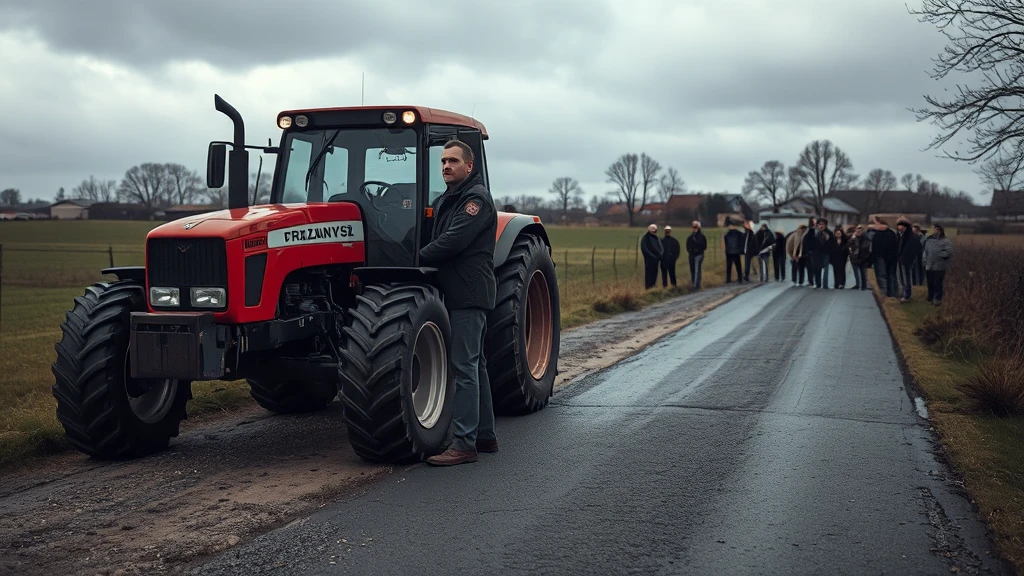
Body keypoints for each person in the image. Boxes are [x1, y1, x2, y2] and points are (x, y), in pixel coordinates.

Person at [420, 139, 498, 467]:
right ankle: (485, 436)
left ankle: (464, 444)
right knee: (475, 365)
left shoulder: (475, 199)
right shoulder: (447, 199)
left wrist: (415, 260)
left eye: (453, 161)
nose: (446, 166)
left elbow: (453, 240)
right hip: (460, 291)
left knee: (464, 367)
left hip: (469, 293)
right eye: (442, 161)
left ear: (469, 166)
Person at [923, 223, 954, 306]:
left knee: (938, 283)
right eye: (935, 229)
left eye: (938, 229)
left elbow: (949, 252)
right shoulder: (928, 240)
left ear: (941, 230)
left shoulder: (945, 241)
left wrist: (939, 254)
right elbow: (925, 251)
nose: (936, 231)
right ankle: (930, 298)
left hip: (939, 266)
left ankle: (937, 299)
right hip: (929, 265)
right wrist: (924, 261)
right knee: (930, 283)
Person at [870, 217, 899, 298]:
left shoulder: (889, 234)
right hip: (884, 257)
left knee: (886, 276)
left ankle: (889, 293)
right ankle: (888, 293)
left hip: (885, 257)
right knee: (886, 276)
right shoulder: (880, 234)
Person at [896, 217, 922, 302]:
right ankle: (903, 293)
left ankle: (907, 295)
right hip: (902, 259)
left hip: (906, 260)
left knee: (907, 278)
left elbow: (913, 248)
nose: (899, 227)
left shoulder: (910, 236)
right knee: (903, 277)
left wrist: (904, 256)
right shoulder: (902, 234)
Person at [848, 224, 872, 290]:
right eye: (857, 228)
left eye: (860, 228)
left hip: (863, 257)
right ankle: (858, 284)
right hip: (854, 257)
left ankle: (864, 286)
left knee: (863, 272)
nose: (859, 230)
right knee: (856, 272)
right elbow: (848, 245)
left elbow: (867, 246)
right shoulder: (853, 237)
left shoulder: (865, 238)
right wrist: (852, 239)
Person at [640, 223, 663, 289]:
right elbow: (644, 248)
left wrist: (660, 254)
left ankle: (653, 286)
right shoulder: (646, 238)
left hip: (656, 259)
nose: (654, 232)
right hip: (649, 260)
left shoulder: (656, 238)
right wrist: (652, 256)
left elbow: (660, 247)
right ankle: (648, 287)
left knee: (655, 273)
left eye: (655, 230)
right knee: (649, 274)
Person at [686, 220, 707, 289]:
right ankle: (694, 283)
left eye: (695, 227)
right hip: (691, 255)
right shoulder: (690, 237)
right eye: (693, 227)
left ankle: (696, 285)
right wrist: (690, 251)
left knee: (697, 269)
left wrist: (697, 249)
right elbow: (687, 246)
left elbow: (704, 246)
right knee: (692, 269)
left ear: (698, 227)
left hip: (699, 255)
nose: (694, 228)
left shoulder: (702, 237)